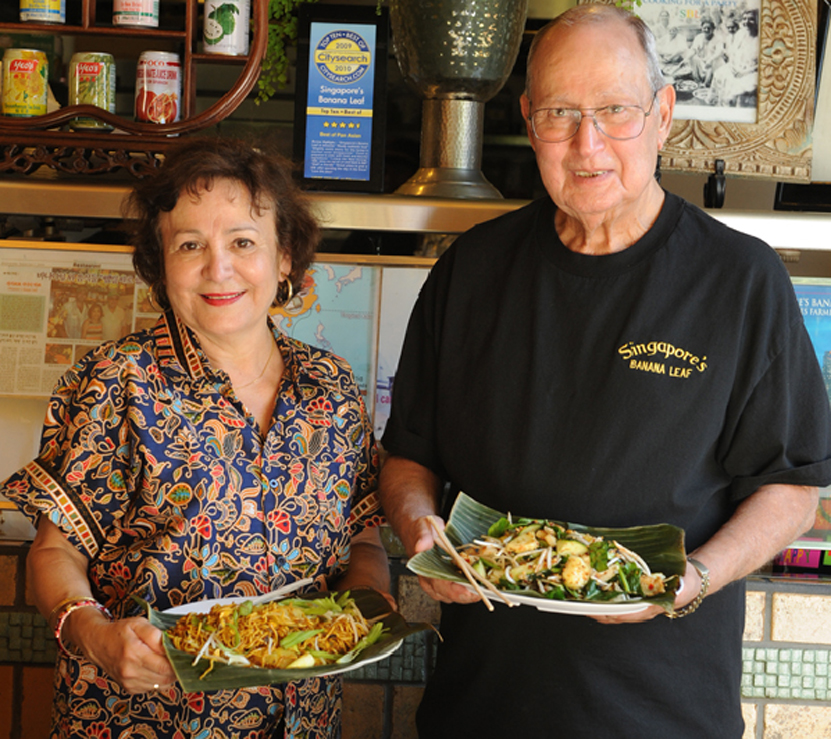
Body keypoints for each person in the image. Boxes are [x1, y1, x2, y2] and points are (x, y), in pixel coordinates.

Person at [379, 5, 831, 738]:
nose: (586, 143)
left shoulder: (739, 279)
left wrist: (693, 580)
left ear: (661, 114)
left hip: (663, 714)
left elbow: (790, 487)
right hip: (480, 709)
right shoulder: (470, 269)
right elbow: (409, 456)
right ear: (527, 120)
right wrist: (418, 531)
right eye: (559, 113)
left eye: (614, 111)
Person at [2, 137, 391, 738]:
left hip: (302, 720)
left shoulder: (332, 389)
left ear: (284, 257)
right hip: (143, 719)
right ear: (161, 264)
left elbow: (362, 543)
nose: (219, 269)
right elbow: (55, 554)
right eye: (190, 245)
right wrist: (93, 634)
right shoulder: (119, 381)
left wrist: (366, 607)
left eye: (243, 241)